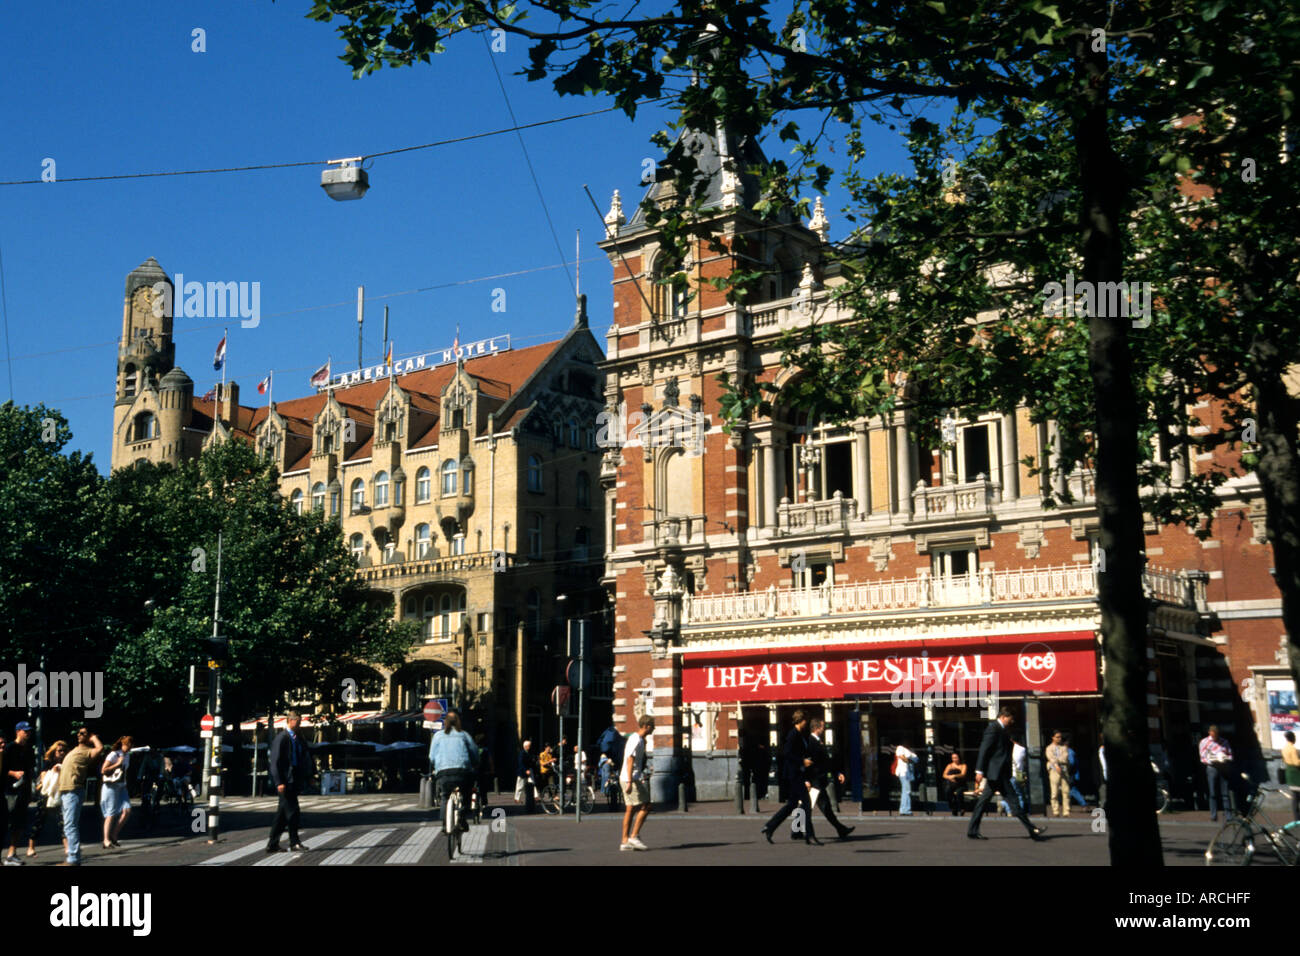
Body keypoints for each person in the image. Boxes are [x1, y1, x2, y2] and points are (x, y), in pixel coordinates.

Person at [968, 707, 1046, 842]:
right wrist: (979, 770)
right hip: (997, 773)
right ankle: (1032, 830)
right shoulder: (993, 728)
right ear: (1004, 716)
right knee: (1013, 801)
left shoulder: (1002, 730)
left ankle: (972, 830)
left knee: (985, 802)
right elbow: (984, 749)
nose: (1012, 721)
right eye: (1010, 719)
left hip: (999, 774)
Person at [760, 710, 819, 845]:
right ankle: (809, 835)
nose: (806, 724)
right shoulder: (793, 735)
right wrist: (802, 761)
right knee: (807, 803)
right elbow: (787, 753)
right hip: (794, 774)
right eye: (805, 721)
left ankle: (769, 827)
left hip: (797, 773)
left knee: (792, 804)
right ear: (801, 721)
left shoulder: (799, 734)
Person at [266, 711, 315, 854]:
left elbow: (306, 756)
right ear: (290, 720)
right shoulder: (282, 738)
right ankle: (295, 842)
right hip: (285, 781)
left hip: (294, 780)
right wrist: (278, 782)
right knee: (293, 811)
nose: (299, 724)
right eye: (297, 721)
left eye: (300, 721)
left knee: (282, 815)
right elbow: (274, 762)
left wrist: (310, 775)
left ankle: (272, 844)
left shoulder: (299, 738)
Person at [56, 727, 105, 865]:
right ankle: (72, 857)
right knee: (67, 826)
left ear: (89, 736)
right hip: (65, 791)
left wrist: (94, 737)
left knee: (71, 825)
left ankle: (73, 859)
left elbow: (100, 748)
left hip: (73, 790)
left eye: (83, 733)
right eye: (78, 733)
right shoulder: (74, 750)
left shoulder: (89, 751)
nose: (79, 735)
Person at [806, 718, 854, 839]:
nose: (823, 729)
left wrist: (837, 772)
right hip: (815, 781)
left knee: (823, 807)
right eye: (822, 727)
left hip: (819, 780)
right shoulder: (810, 742)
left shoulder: (817, 742)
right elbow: (808, 764)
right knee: (818, 807)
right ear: (817, 728)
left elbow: (826, 762)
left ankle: (840, 829)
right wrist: (807, 780)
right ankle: (840, 829)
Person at [430, 710, 479, 825]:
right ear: (458, 722)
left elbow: (431, 756)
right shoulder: (464, 735)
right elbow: (474, 752)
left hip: (443, 773)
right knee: (467, 792)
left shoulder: (437, 736)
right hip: (462, 771)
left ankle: (444, 823)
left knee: (445, 796)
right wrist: (475, 763)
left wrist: (437, 765)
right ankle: (462, 816)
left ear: (445, 722)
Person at [619, 715, 655, 851]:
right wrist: (629, 781)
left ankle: (624, 841)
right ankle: (634, 836)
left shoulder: (638, 739)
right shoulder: (636, 740)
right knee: (647, 805)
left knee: (630, 809)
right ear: (646, 726)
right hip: (630, 779)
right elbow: (630, 760)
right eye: (652, 726)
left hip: (628, 778)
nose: (654, 729)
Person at [27, 741, 67, 859]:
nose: (62, 752)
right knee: (39, 820)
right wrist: (51, 774)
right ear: (54, 751)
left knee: (63, 820)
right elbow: (43, 775)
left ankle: (67, 848)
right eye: (60, 750)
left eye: (64, 750)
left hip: (61, 793)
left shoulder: (66, 762)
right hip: (47, 793)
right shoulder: (48, 762)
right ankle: (30, 848)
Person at [4, 722, 34, 865]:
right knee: (5, 822)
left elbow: (30, 770)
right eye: (25, 731)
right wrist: (13, 773)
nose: (28, 733)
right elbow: (2, 769)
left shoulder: (29, 749)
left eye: (29, 731)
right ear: (18, 731)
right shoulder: (9, 748)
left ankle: (12, 853)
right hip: (9, 790)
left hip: (24, 790)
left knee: (19, 823)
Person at [99, 736, 133, 850]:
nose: (129, 747)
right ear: (122, 744)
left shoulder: (127, 756)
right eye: (128, 744)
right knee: (111, 813)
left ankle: (114, 834)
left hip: (122, 786)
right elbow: (103, 770)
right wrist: (117, 764)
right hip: (110, 786)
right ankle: (106, 840)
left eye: (131, 745)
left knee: (127, 810)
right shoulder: (114, 754)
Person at [1199, 725, 1235, 822]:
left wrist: (1225, 759)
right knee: (1212, 792)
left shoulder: (1224, 742)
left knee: (1225, 792)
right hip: (1212, 768)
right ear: (1209, 733)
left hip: (1223, 767)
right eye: (1213, 734)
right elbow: (1202, 757)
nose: (1214, 736)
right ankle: (1213, 815)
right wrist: (1211, 760)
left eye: (1216, 735)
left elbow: (1230, 755)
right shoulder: (1204, 742)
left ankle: (1228, 815)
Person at [1045, 730, 1071, 817]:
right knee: (1054, 791)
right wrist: (1056, 764)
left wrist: (1057, 760)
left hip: (1064, 769)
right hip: (1053, 770)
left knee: (1066, 791)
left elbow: (1065, 758)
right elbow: (1050, 758)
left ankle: (1066, 811)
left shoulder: (1064, 748)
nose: (1059, 739)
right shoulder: (1049, 748)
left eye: (1060, 737)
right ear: (1053, 737)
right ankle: (1055, 810)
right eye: (1057, 737)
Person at [1280, 730, 1300, 822]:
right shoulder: (1292, 749)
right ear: (1293, 738)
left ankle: (1297, 817)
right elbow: (1296, 762)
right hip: (1296, 774)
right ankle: (1297, 817)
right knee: (1296, 797)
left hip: (1289, 773)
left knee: (1295, 797)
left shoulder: (1284, 748)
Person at [894, 740, 918, 816]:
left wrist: (908, 760)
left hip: (908, 774)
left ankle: (904, 809)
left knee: (906, 790)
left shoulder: (911, 752)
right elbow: (901, 757)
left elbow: (916, 760)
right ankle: (905, 810)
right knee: (906, 790)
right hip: (904, 772)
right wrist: (909, 760)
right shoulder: (900, 748)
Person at [1064, 735, 1088, 807]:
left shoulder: (1069, 752)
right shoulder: (1069, 752)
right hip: (1072, 774)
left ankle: (1083, 803)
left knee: (1072, 789)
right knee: (1069, 789)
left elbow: (1071, 763)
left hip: (1071, 774)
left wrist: (1067, 770)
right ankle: (1069, 805)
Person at [943, 752, 968, 816]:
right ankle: (953, 808)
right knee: (947, 791)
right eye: (953, 758)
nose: (954, 759)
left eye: (956, 758)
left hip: (961, 784)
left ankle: (962, 808)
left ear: (959, 758)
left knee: (959, 793)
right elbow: (944, 775)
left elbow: (963, 774)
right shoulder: (949, 765)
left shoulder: (963, 765)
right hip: (952, 784)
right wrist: (949, 777)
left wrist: (955, 776)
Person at [516, 740, 537, 812]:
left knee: (532, 783)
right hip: (523, 771)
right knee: (520, 785)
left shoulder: (530, 753)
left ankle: (535, 796)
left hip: (529, 770)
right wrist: (525, 770)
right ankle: (517, 798)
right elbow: (521, 763)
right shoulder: (522, 753)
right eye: (529, 746)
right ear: (525, 746)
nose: (530, 747)